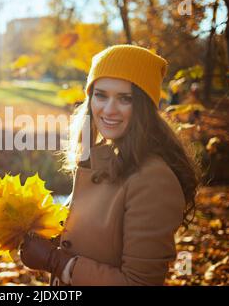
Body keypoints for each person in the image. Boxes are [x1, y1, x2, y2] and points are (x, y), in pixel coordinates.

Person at [19, 45, 199, 286]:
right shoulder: (100, 159)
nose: (109, 109)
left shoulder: (153, 179)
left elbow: (140, 283)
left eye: (125, 98)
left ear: (144, 107)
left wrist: (56, 262)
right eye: (101, 95)